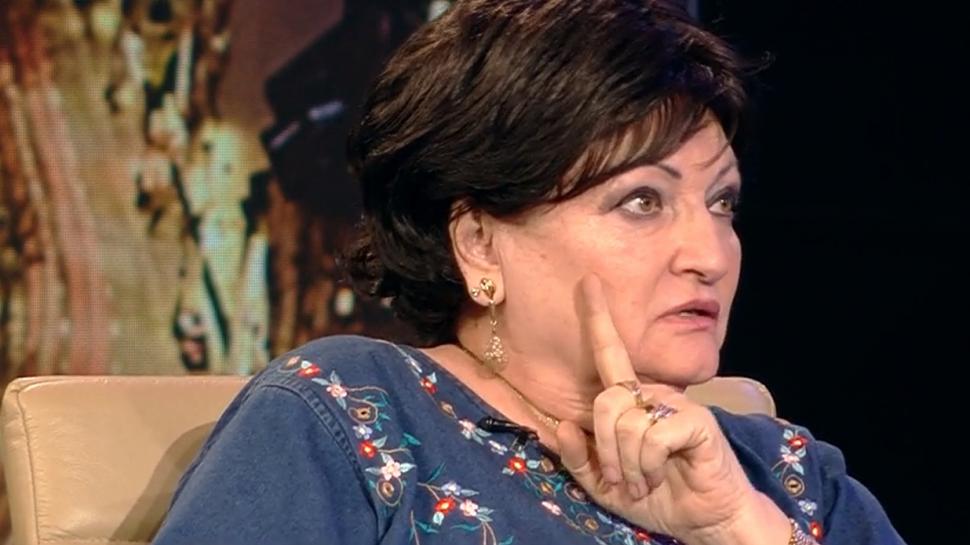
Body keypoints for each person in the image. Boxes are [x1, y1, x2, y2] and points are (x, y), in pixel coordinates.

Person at [151, 1, 907, 544]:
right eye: (642, 201)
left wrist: (738, 525)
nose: (709, 254)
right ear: (480, 243)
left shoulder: (785, 475)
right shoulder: (347, 415)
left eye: (722, 202)